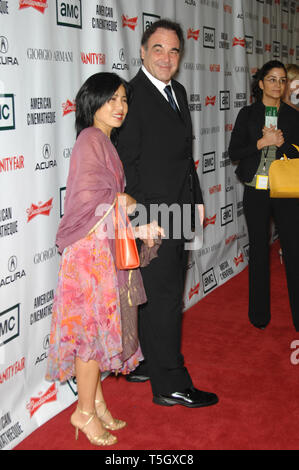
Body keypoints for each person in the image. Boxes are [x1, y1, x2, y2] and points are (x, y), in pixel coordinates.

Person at [45, 72, 163, 447]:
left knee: (94, 334)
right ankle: (82, 411)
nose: (120, 106)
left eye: (124, 99)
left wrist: (136, 226)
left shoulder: (105, 142)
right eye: (111, 99)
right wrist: (124, 203)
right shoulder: (90, 140)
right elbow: (85, 200)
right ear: (92, 102)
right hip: (87, 255)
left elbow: (105, 202)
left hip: (102, 249)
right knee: (89, 338)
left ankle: (95, 401)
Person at [117, 19, 218, 408]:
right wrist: (142, 221)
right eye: (157, 48)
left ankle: (146, 361)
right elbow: (128, 164)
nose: (166, 57)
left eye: (174, 50)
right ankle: (171, 383)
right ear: (142, 51)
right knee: (164, 298)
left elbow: (181, 156)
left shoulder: (176, 90)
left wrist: (195, 197)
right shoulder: (130, 95)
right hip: (153, 217)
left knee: (158, 294)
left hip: (179, 209)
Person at [228, 60, 299, 331]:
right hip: (256, 192)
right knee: (258, 251)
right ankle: (259, 315)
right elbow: (235, 152)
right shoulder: (247, 114)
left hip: (287, 192)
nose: (278, 85)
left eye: (282, 80)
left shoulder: (293, 116)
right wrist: (262, 143)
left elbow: (297, 152)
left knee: (294, 250)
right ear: (260, 84)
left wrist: (283, 146)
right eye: (272, 79)